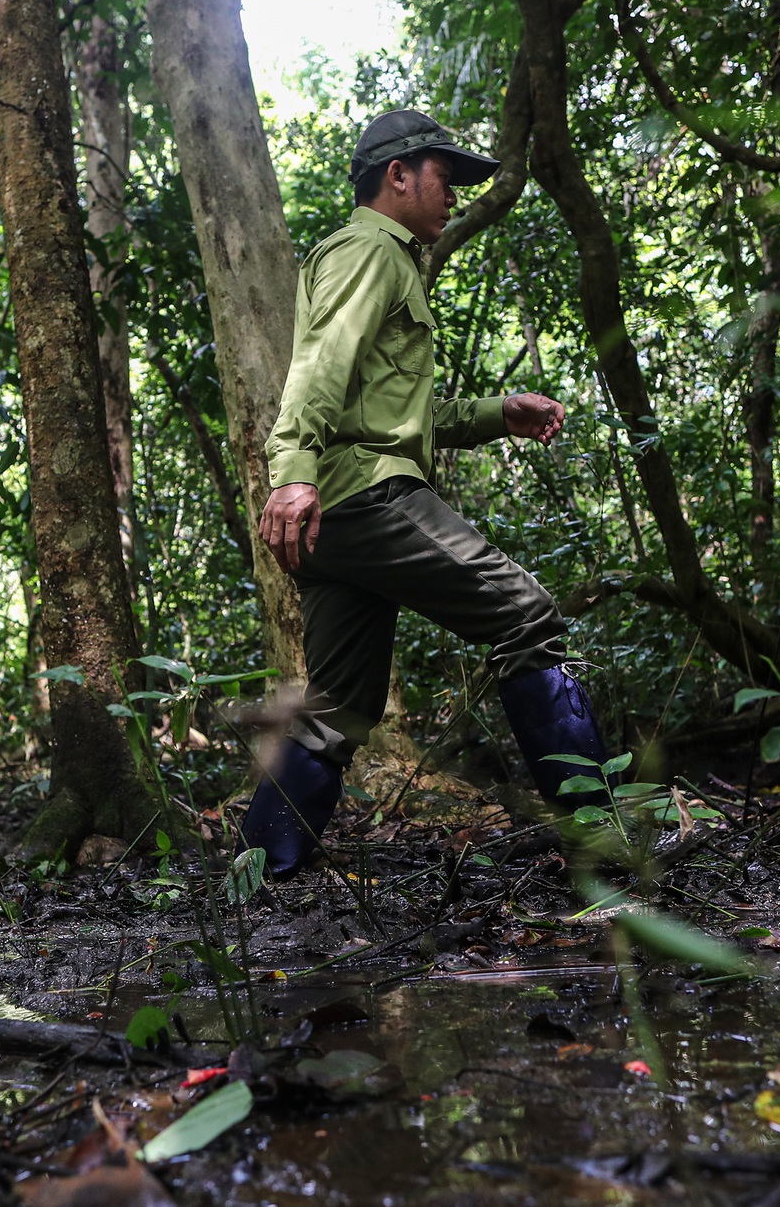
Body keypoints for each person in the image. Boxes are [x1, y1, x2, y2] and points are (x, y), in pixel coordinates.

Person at [242, 109, 615, 878]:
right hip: (367, 497)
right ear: (398, 175)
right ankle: (603, 836)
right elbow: (319, 369)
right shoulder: (368, 252)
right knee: (527, 617)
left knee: (339, 705)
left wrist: (496, 415)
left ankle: (259, 876)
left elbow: (388, 410)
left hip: (338, 517)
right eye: (446, 177)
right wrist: (294, 475)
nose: (453, 195)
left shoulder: (382, 260)